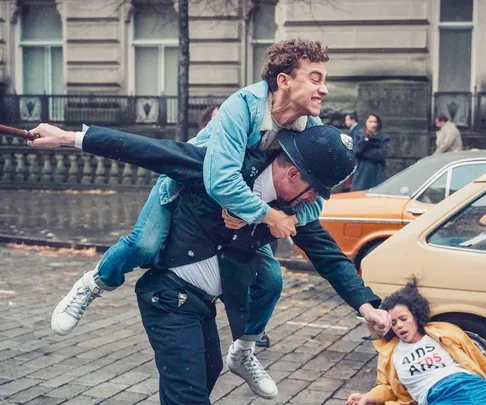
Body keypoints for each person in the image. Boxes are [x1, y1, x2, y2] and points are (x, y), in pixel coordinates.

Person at [29, 122, 391, 405]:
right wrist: (67, 138)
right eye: (314, 189)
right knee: (187, 392)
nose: (313, 200)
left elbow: (328, 256)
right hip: (167, 297)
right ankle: (93, 284)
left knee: (209, 370)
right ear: (293, 173)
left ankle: (244, 351)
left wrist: (366, 304)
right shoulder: (222, 169)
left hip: (203, 306)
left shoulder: (288, 210)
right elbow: (149, 151)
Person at [346, 278, 486, 405]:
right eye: (393, 322)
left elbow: (476, 358)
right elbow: (388, 387)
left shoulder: (444, 332)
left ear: (415, 316)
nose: (399, 325)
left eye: (404, 318)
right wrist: (367, 397)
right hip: (436, 396)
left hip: (470, 384)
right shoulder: (391, 353)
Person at [351, 113, 389, 191]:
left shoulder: (383, 137)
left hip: (376, 172)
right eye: (370, 121)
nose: (373, 124)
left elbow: (380, 155)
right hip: (361, 171)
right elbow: (356, 151)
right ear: (366, 122)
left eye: (375, 122)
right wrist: (365, 140)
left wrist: (364, 152)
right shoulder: (359, 135)